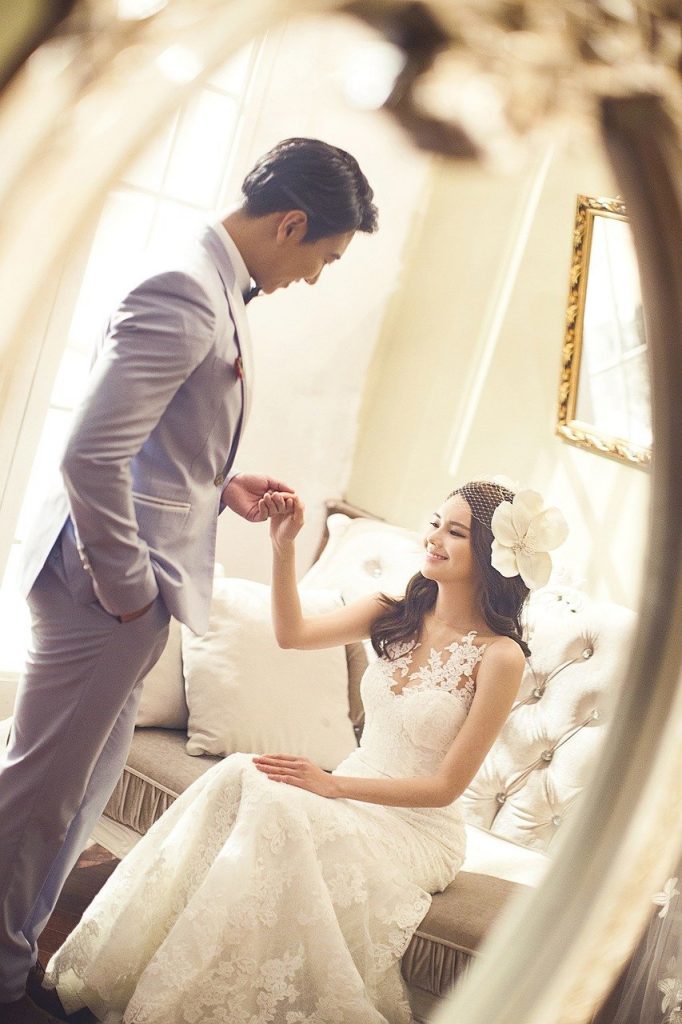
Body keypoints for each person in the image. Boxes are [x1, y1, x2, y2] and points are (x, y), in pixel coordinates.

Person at [0, 137, 379, 1024]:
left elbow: (153, 443)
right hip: (108, 595)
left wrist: (218, 487)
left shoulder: (208, 279)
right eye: (323, 258)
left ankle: (13, 962)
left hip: (132, 593)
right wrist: (128, 588)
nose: (316, 278)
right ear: (291, 223)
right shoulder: (183, 287)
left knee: (76, 794)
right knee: (39, 799)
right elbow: (90, 455)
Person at [38, 479, 565, 1024]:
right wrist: (283, 545)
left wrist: (332, 782)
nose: (434, 538)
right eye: (435, 522)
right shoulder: (395, 609)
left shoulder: (500, 657)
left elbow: (445, 789)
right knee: (241, 775)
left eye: (455, 532)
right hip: (348, 794)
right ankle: (135, 965)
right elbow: (291, 634)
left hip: (416, 830)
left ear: (489, 558)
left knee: (279, 805)